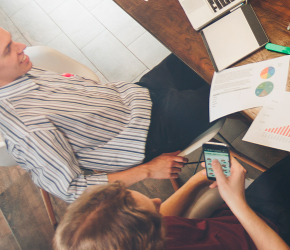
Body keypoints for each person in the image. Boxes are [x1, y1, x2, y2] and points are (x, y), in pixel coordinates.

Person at [0, 27, 214, 202]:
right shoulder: (25, 129)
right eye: (8, 49)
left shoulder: (17, 71)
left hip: (137, 95)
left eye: (12, 40)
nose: (22, 46)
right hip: (150, 135)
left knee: (200, 45)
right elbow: (71, 189)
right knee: (231, 88)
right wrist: (148, 170)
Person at [54, 156, 290, 250]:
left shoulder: (131, 238)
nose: (160, 200)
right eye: (155, 209)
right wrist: (237, 203)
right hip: (273, 242)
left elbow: (161, 216)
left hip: (241, 219)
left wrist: (200, 179)